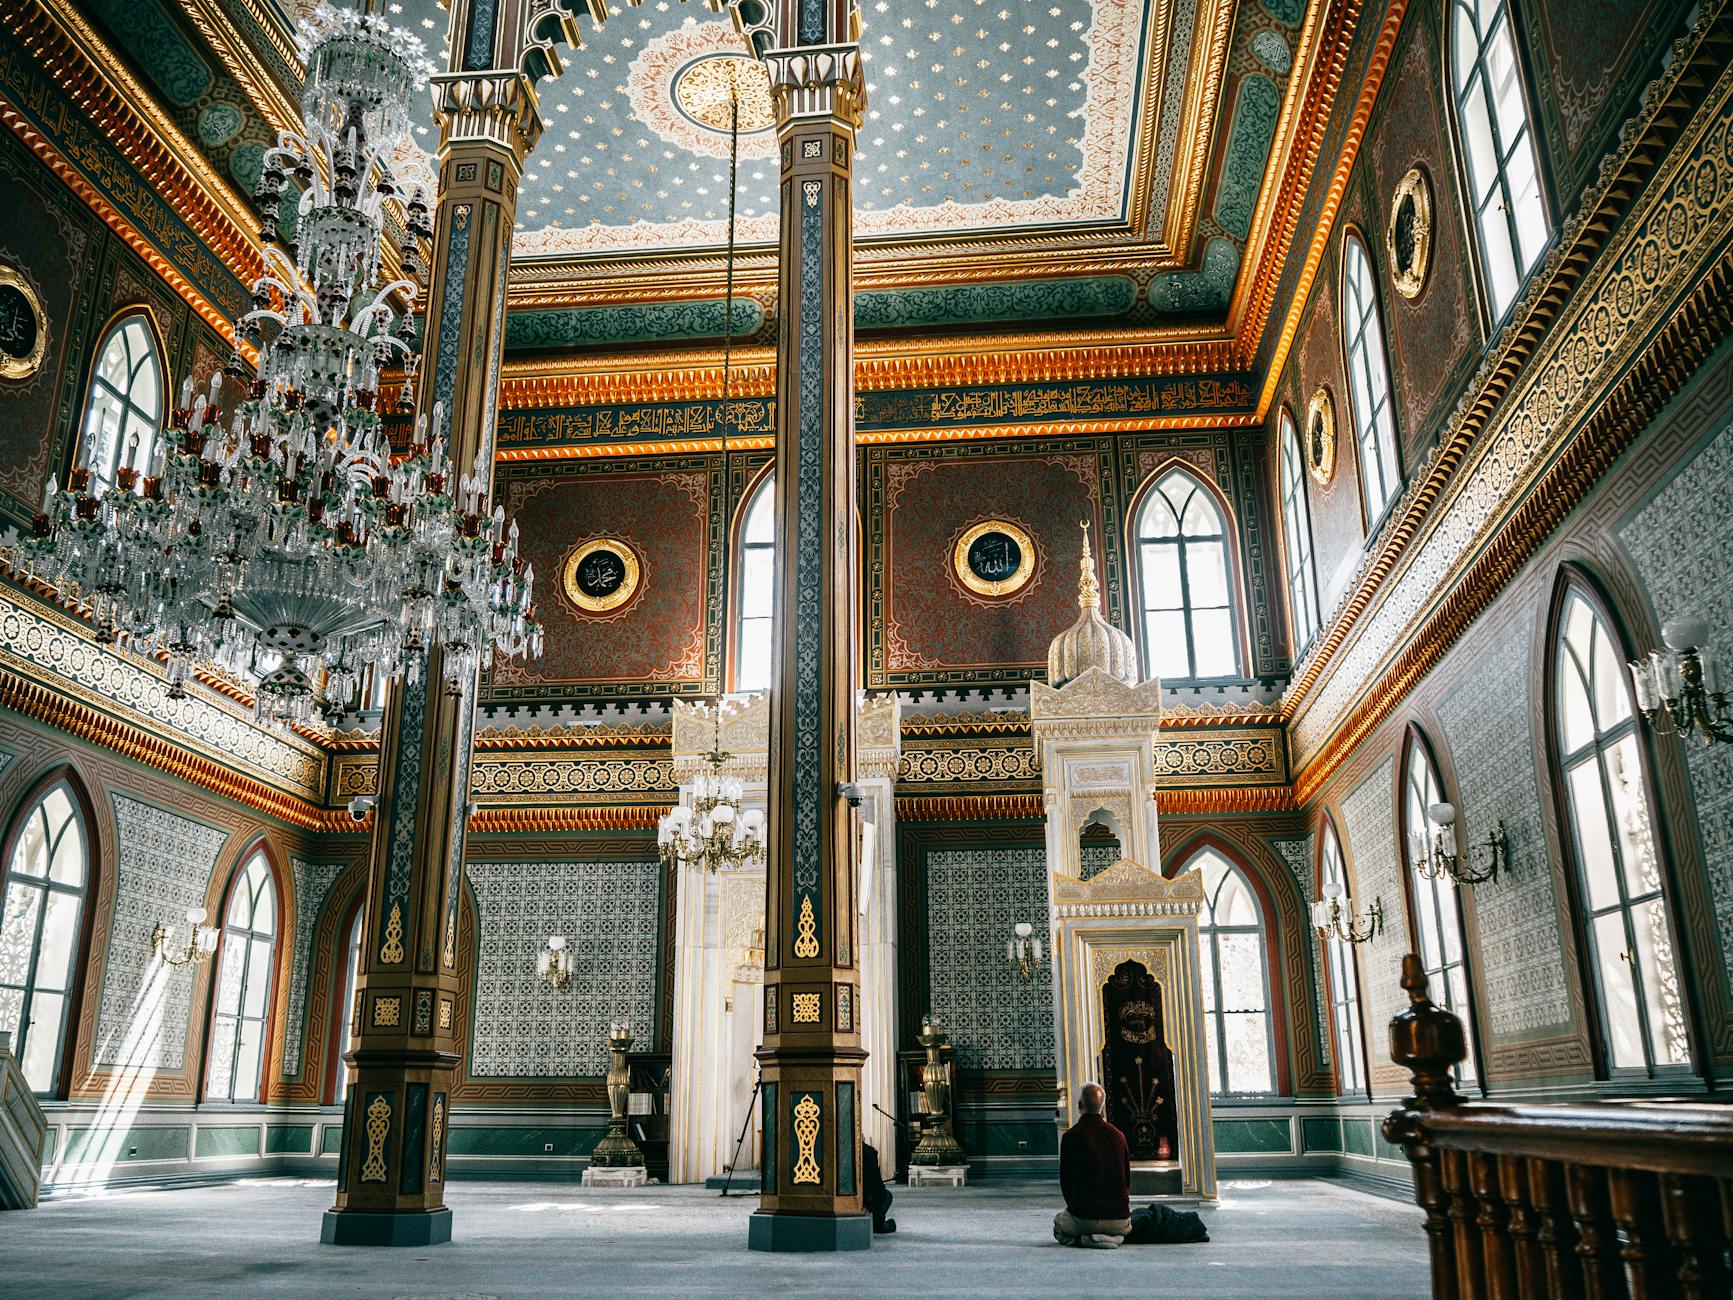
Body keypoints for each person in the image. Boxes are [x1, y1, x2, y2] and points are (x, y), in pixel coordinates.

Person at [1053, 1082, 1131, 1249]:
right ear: (1102, 1107)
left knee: (1059, 1227)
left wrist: (1077, 1208)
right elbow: (1127, 1180)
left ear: (1080, 1105)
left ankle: (1085, 1239)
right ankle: (1116, 1238)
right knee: (1123, 1228)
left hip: (1084, 1217)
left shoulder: (1071, 1137)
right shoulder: (1119, 1136)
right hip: (1120, 1220)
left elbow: (1066, 1182)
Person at [862, 1142, 895, 1233]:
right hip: (868, 1200)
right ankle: (878, 1224)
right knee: (888, 1196)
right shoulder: (868, 1152)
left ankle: (878, 1222)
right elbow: (876, 1183)